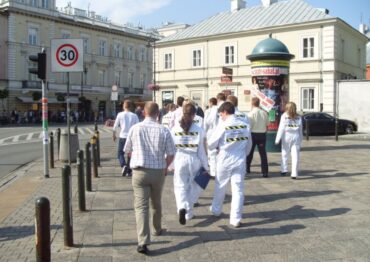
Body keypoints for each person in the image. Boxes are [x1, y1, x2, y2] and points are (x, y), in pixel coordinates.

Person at [124, 102, 176, 255]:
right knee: (156, 202)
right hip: (158, 170)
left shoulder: (135, 128)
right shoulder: (164, 130)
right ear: (157, 114)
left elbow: (127, 149)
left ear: (144, 113)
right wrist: (165, 167)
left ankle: (143, 241)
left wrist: (137, 155)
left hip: (139, 171)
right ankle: (157, 228)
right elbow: (171, 153)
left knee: (141, 207)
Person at [208, 102, 252, 228]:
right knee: (238, 189)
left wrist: (215, 148)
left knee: (220, 185)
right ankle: (236, 219)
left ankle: (216, 210)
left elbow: (211, 144)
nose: (220, 116)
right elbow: (249, 146)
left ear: (225, 112)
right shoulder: (245, 125)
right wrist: (243, 155)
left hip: (224, 158)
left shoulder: (223, 125)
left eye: (221, 114)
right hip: (240, 159)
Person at [171, 103, 209, 225]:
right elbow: (202, 151)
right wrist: (206, 166)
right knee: (195, 186)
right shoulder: (199, 130)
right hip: (194, 160)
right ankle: (188, 211)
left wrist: (170, 164)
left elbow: (171, 148)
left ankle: (182, 207)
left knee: (180, 186)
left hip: (179, 159)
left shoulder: (175, 129)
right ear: (194, 115)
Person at [275, 102, 303, 179]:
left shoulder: (284, 116)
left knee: (285, 153)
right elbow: (300, 129)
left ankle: (284, 170)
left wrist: (277, 139)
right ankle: (294, 173)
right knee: (295, 156)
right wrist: (301, 139)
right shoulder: (299, 117)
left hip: (286, 136)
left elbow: (281, 128)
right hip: (296, 136)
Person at [113, 100, 139, 176]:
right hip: (131, 137)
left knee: (120, 153)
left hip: (122, 136)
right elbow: (137, 126)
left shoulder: (120, 114)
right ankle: (129, 170)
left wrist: (114, 135)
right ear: (130, 107)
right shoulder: (134, 115)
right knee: (130, 154)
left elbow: (115, 126)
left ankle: (123, 165)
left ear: (124, 106)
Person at [204, 93, 226, 177]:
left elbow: (208, 122)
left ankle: (214, 172)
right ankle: (222, 171)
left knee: (212, 153)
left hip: (214, 132)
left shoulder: (214, 108)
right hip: (225, 133)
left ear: (218, 99)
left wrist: (205, 132)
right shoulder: (229, 106)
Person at [246, 97, 269, 178]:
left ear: (252, 104)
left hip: (253, 134)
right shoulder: (264, 113)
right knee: (263, 154)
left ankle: (247, 168)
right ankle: (265, 172)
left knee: (249, 152)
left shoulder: (250, 114)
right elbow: (267, 124)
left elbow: (249, 126)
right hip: (262, 134)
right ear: (259, 103)